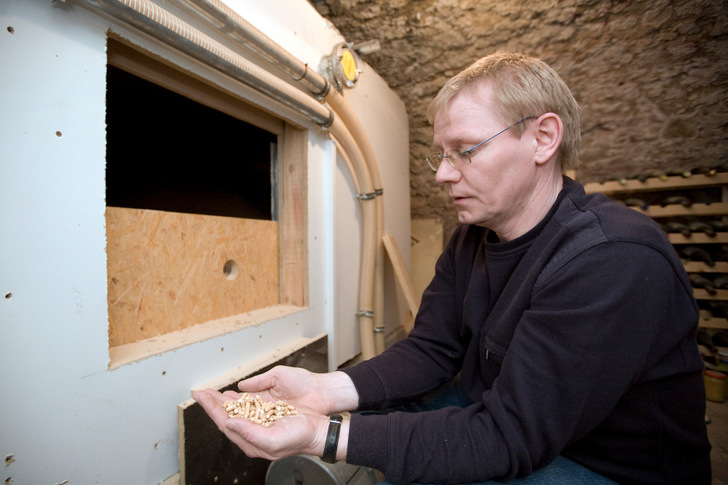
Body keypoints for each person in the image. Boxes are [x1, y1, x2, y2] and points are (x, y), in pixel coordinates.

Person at [194, 52, 711, 484]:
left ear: (543, 138)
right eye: (440, 155)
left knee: (399, 452)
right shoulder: (471, 239)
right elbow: (432, 349)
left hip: (607, 465)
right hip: (510, 415)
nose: (443, 175)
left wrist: (322, 436)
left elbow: (510, 436)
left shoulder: (611, 256)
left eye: (464, 151)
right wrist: (323, 391)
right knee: (385, 433)